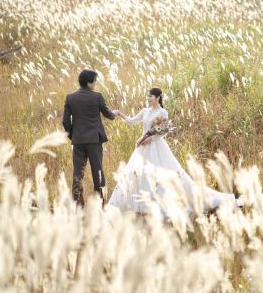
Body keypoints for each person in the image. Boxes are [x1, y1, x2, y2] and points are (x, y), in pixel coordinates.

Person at [109, 87, 237, 214]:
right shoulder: (145, 111)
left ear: (158, 98)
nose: (148, 98)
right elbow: (132, 121)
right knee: (140, 173)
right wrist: (120, 114)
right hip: (143, 148)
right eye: (147, 96)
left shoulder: (162, 112)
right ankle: (142, 205)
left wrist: (151, 139)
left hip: (156, 146)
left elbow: (163, 131)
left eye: (150, 96)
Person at [62, 69, 118, 207]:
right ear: (89, 82)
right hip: (94, 140)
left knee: (78, 173)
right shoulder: (97, 96)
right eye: (94, 81)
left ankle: (78, 205)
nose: (95, 84)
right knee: (98, 172)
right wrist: (115, 113)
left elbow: (65, 121)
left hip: (78, 140)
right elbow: (108, 115)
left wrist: (73, 135)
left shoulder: (70, 97)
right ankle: (101, 205)